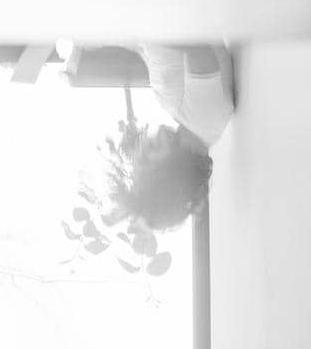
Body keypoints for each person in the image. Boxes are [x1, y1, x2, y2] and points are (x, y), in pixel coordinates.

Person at [78, 43, 233, 231]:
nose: (143, 150)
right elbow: (199, 46)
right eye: (146, 162)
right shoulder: (204, 118)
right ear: (169, 172)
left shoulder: (189, 121)